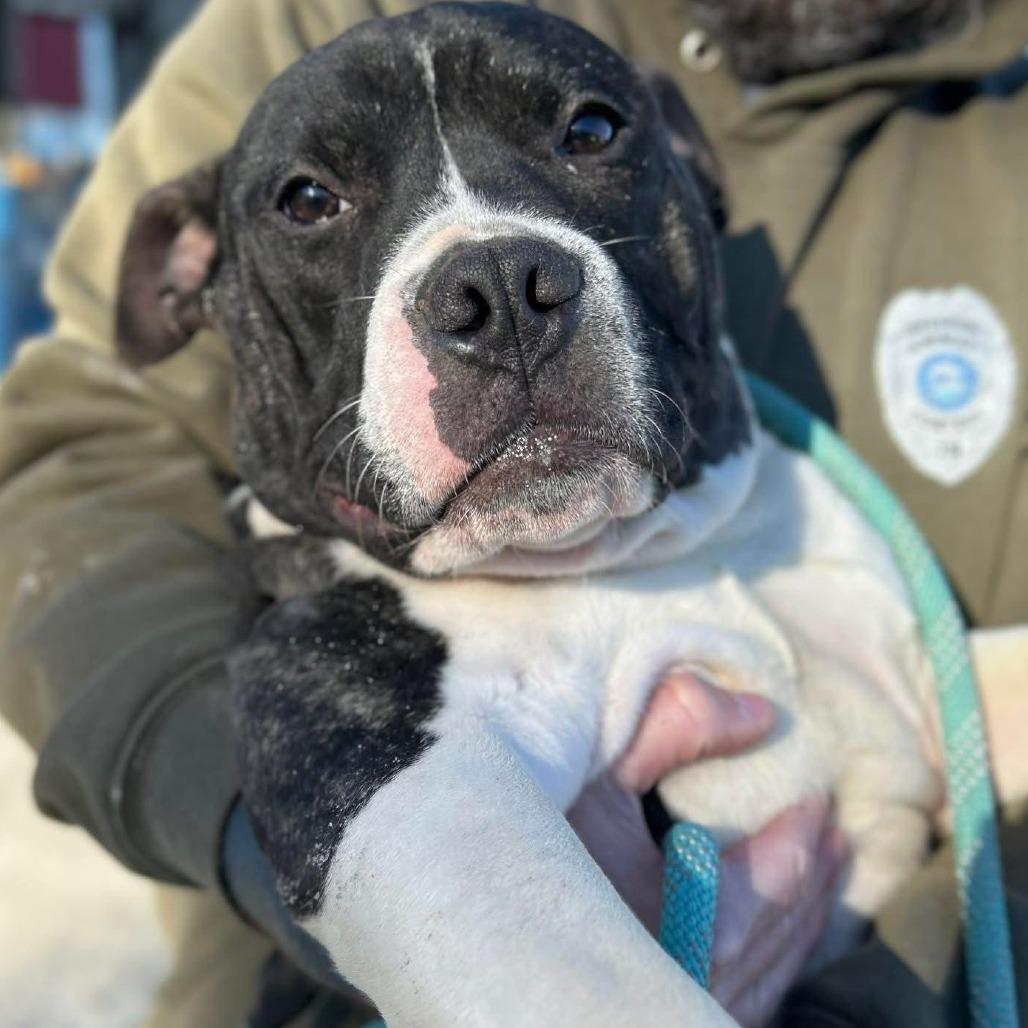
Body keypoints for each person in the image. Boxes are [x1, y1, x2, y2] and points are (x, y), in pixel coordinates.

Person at [0, 0, 1024, 1026]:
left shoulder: (794, 504)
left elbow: (966, 715)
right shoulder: (301, 18)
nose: (496, 278)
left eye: (584, 135)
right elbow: (75, 443)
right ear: (188, 272)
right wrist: (259, 800)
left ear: (685, 164)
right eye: (313, 199)